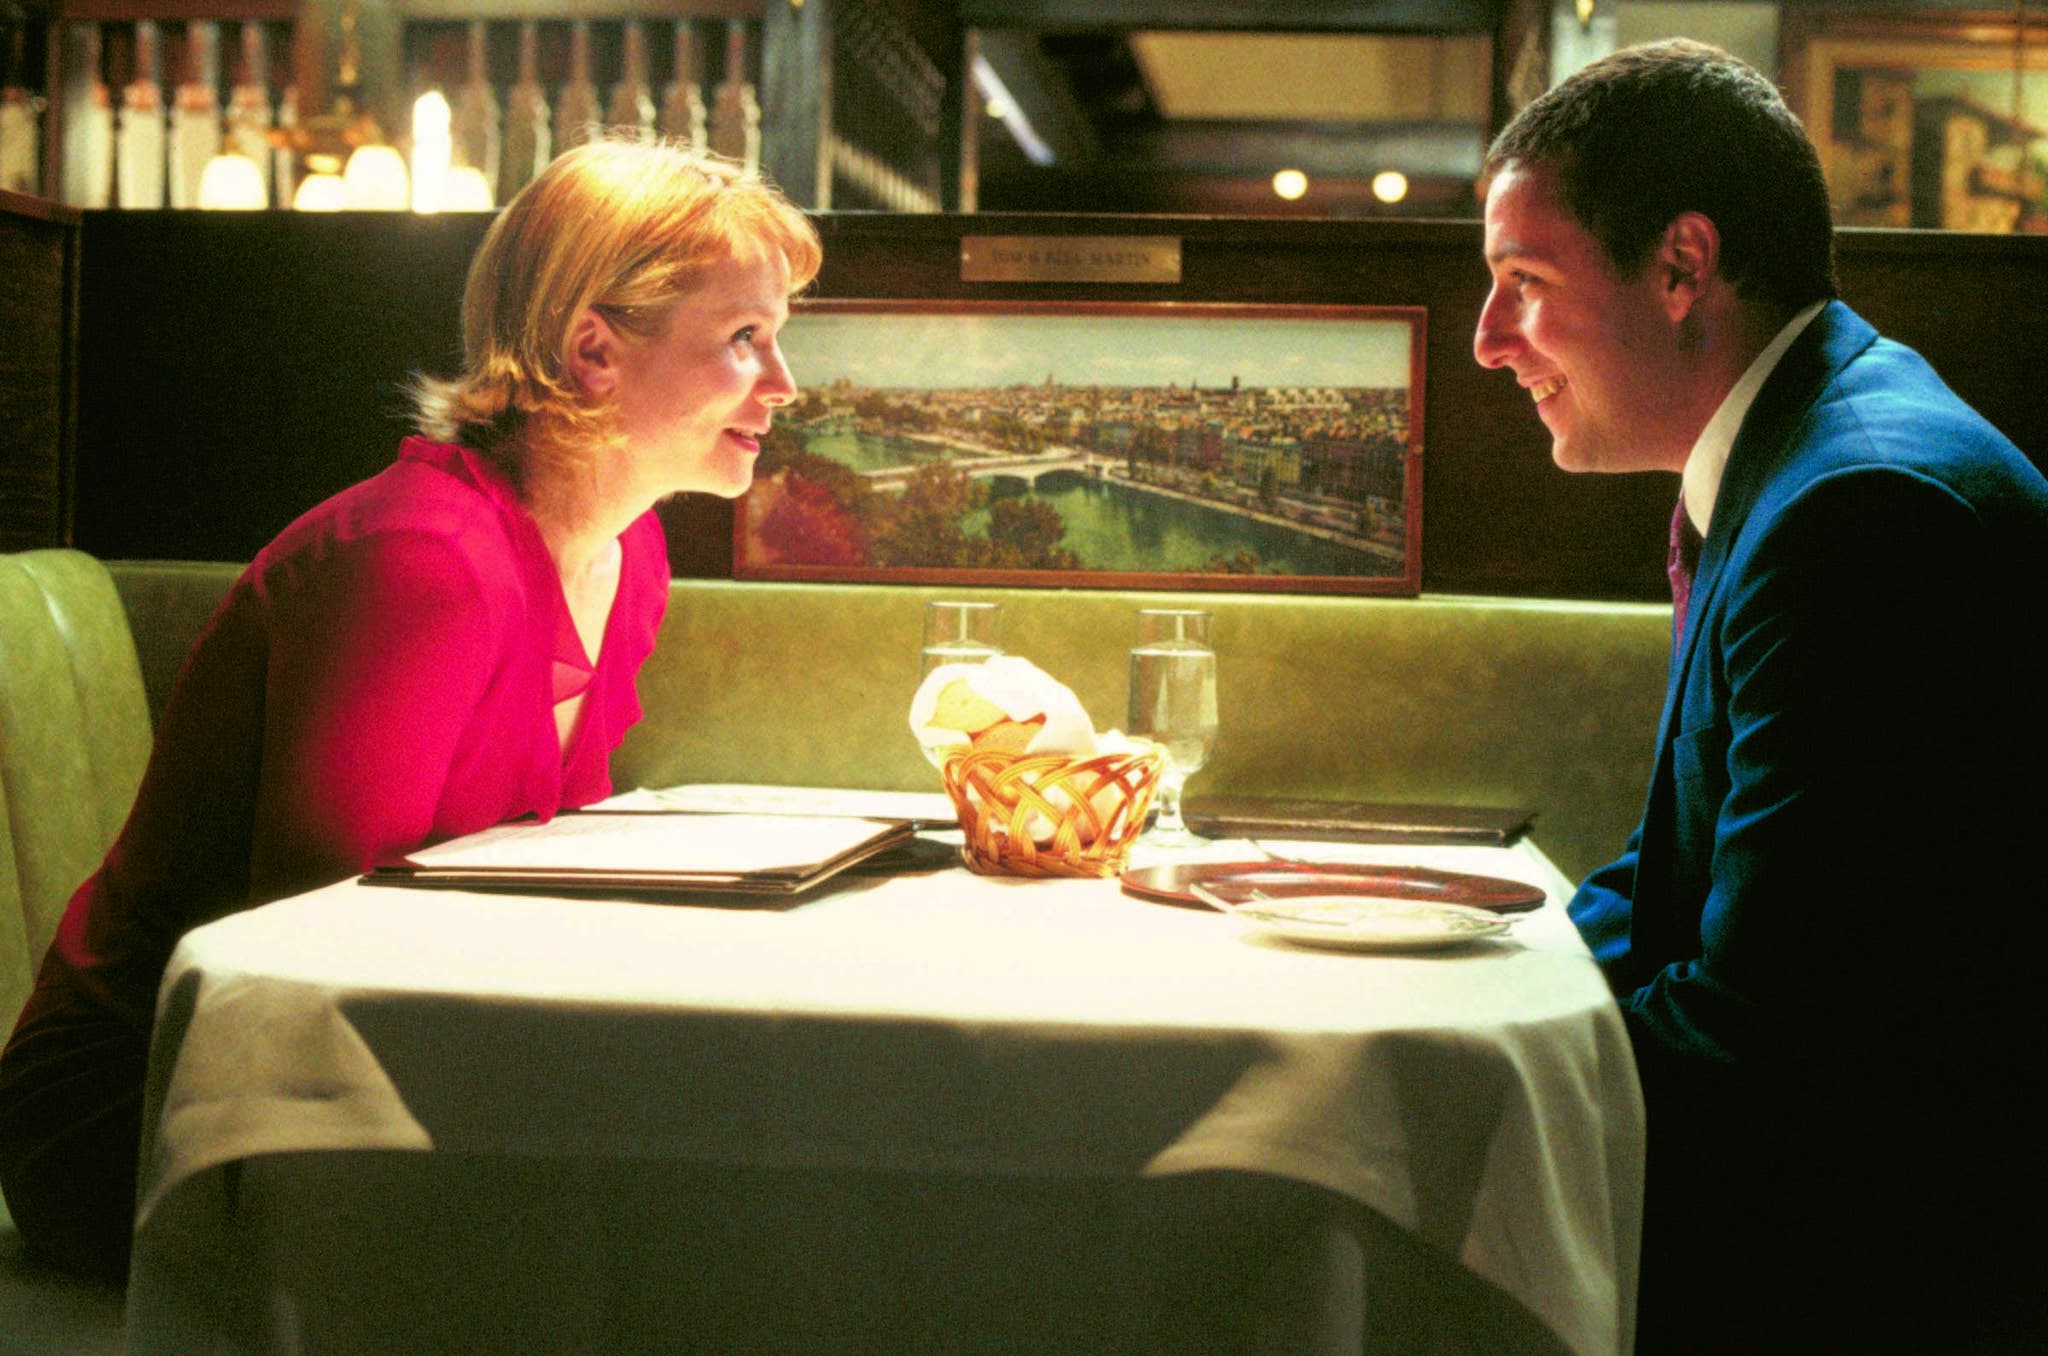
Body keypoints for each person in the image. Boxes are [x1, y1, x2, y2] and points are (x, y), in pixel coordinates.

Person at [0, 136, 821, 1280]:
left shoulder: (626, 557)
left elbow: (535, 878)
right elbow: (305, 957)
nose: (783, 383)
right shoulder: (423, 560)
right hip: (157, 1106)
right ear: (593, 350)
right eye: (743, 338)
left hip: (367, 1065)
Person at [1473, 40, 2048, 1353]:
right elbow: (1672, 880)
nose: (1488, 341)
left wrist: (1451, 1088)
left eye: (1523, 282)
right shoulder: (1806, 450)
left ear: (1682, 265)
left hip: (1880, 1270)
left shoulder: (1860, 512)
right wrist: (1468, 984)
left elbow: (1775, 1039)